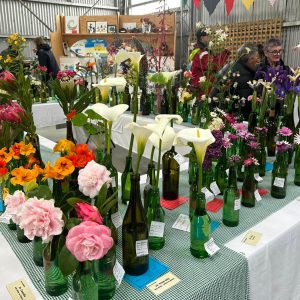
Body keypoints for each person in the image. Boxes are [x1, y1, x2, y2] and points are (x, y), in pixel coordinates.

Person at [189, 26, 230, 95]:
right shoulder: (201, 53)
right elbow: (214, 65)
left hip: (201, 88)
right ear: (202, 37)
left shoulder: (199, 51)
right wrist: (225, 53)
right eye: (207, 36)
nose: (209, 38)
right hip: (202, 90)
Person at [229, 44, 260, 119]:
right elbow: (246, 104)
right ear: (250, 59)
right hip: (240, 117)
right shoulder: (244, 75)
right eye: (258, 57)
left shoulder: (236, 66)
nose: (259, 61)